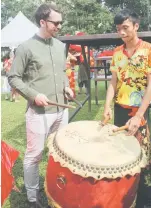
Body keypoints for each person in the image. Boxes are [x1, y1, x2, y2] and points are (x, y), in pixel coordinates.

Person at [8, 4, 73, 208]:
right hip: (39, 113)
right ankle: (33, 196)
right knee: (34, 156)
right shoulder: (26, 47)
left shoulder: (61, 46)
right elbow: (13, 77)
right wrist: (34, 95)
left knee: (60, 153)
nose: (59, 26)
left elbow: (62, 73)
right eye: (56, 22)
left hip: (61, 111)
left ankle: (55, 188)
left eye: (61, 22)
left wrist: (67, 87)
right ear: (43, 22)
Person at [103, 9, 151, 208]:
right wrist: (107, 106)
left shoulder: (149, 50)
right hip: (120, 109)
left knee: (143, 159)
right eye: (118, 29)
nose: (122, 32)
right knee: (120, 156)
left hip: (139, 113)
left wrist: (139, 116)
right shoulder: (117, 52)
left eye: (125, 28)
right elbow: (113, 83)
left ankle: (144, 203)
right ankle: (122, 198)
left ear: (136, 26)